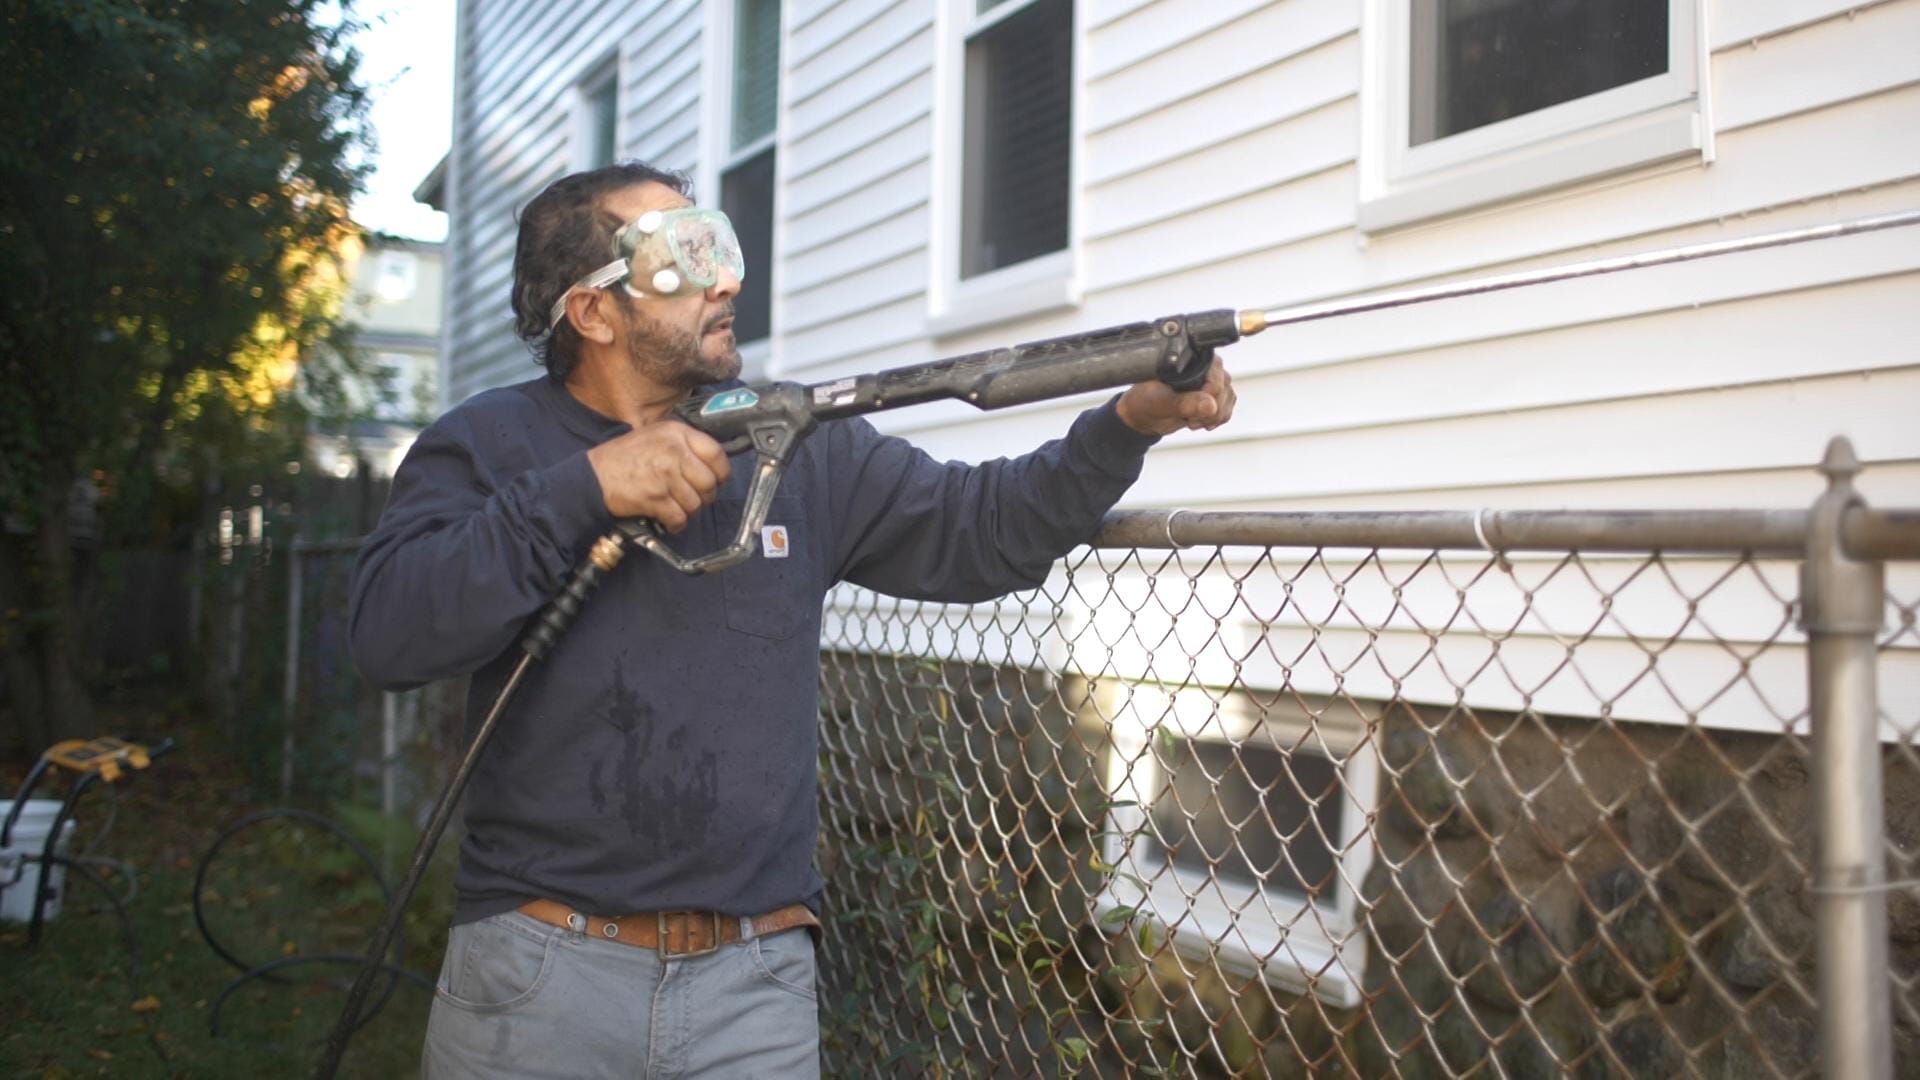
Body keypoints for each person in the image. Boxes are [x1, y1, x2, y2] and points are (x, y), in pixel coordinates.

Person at [348, 160, 1236, 1078]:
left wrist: (1129, 423)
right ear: (594, 312)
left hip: (753, 986)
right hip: (539, 974)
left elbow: (985, 531)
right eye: (684, 256)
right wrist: (584, 491)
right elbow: (388, 635)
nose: (726, 281)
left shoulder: (789, 443)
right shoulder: (488, 445)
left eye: (720, 247)